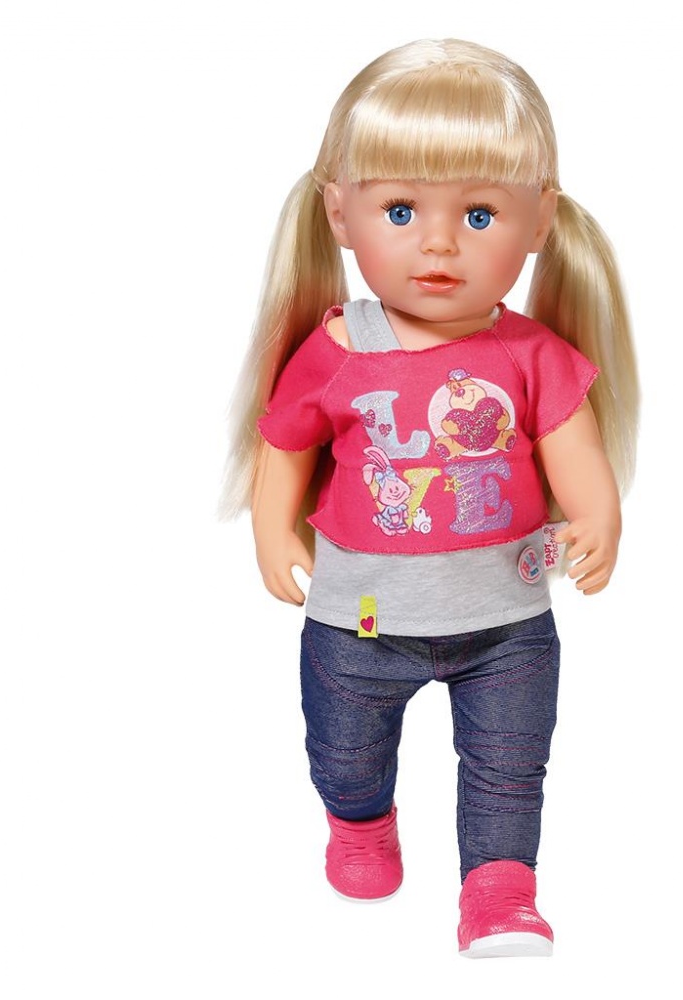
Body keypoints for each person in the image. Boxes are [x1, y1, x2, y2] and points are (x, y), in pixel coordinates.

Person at [222, 38, 639, 958]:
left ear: (540, 222)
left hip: (507, 624)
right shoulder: (338, 349)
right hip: (361, 620)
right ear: (340, 212)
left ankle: (500, 894)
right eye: (402, 210)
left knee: (509, 770)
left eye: (480, 214)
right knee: (344, 752)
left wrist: (599, 518)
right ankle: (360, 821)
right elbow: (284, 442)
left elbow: (574, 449)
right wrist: (271, 532)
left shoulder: (531, 355)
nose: (441, 243)